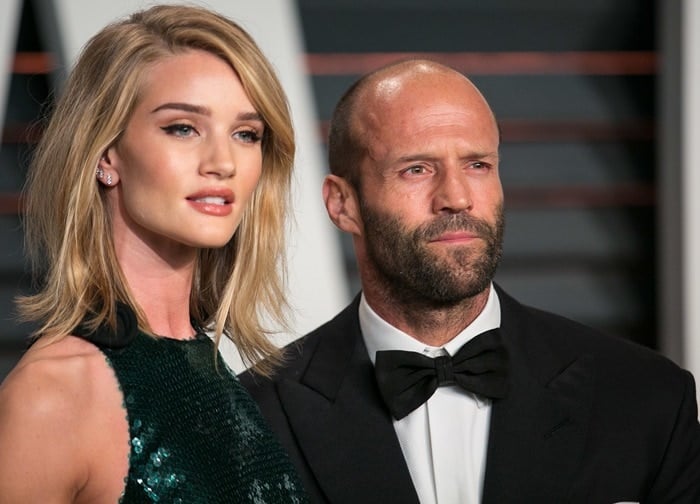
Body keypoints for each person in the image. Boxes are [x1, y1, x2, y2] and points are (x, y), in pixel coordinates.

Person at [240, 59, 700, 503]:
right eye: (416, 169)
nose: (456, 197)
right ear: (343, 204)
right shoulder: (249, 418)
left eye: (477, 165)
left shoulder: (647, 397)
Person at [0, 4, 309, 503]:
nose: (223, 162)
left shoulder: (214, 372)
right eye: (183, 128)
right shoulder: (55, 393)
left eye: (245, 134)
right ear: (106, 154)